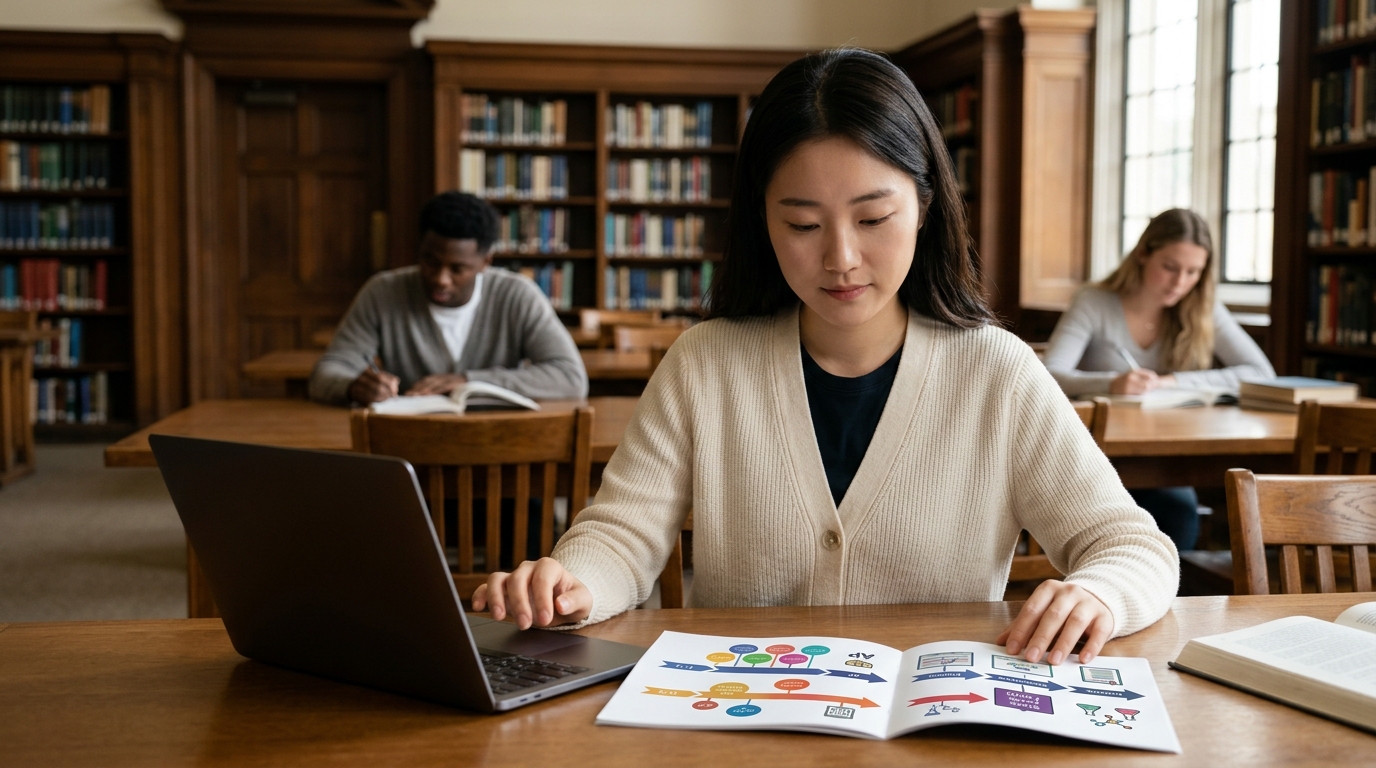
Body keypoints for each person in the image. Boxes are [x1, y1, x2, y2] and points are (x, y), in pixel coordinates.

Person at [473, 48, 1179, 667]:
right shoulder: (706, 363)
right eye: (802, 224)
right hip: (742, 715)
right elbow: (623, 535)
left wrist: (1098, 593)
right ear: (762, 219)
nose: (840, 259)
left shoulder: (996, 370)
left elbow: (1134, 547)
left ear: (926, 205)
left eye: (873, 219)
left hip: (928, 729)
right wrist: (570, 583)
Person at [1041, 208, 1275, 551]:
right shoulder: (1094, 302)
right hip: (1095, 456)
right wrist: (1111, 384)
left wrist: (1171, 382)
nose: (1180, 282)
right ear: (1142, 254)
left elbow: (1260, 373)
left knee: (1179, 518)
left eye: (1193, 272)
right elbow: (1048, 376)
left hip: (1166, 457)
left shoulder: (1202, 308)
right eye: (1170, 267)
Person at [308, 192, 588, 405]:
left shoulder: (517, 295)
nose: (441, 278)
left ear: (484, 262)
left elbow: (570, 378)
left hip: (497, 442)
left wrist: (469, 381)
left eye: (457, 269)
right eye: (430, 261)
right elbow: (327, 372)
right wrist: (354, 386)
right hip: (411, 445)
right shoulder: (383, 293)